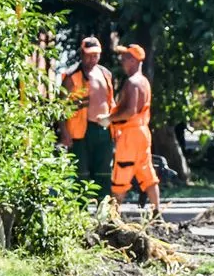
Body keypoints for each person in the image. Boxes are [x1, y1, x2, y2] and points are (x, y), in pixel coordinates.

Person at [97, 44, 161, 215]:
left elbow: (129, 111)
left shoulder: (132, 83)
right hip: (143, 133)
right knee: (147, 172)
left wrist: (109, 119)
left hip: (131, 135)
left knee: (122, 172)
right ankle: (157, 212)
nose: (122, 61)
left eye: (125, 58)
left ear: (133, 60)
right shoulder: (144, 82)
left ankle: (113, 217)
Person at [59, 37, 115, 199]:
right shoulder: (71, 77)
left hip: (104, 131)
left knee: (104, 173)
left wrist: (115, 128)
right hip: (80, 133)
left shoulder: (106, 74)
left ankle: (104, 214)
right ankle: (80, 216)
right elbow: (60, 108)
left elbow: (111, 102)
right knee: (80, 174)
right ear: (82, 54)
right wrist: (64, 133)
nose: (93, 58)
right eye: (89, 55)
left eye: (96, 55)